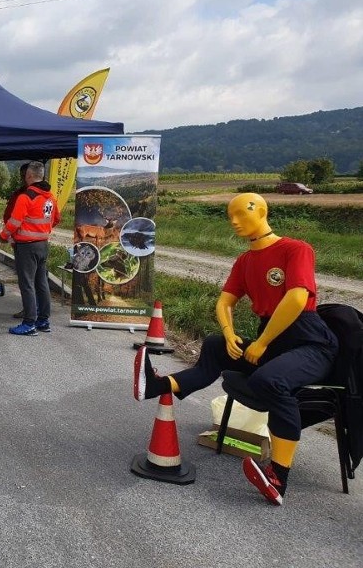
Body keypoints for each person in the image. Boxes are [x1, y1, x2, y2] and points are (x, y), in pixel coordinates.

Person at [133, 193, 338, 505]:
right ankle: (157, 386)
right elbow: (225, 300)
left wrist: (263, 342)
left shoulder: (295, 249)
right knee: (216, 346)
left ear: (262, 211)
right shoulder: (245, 261)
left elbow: (296, 298)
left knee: (270, 381)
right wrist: (229, 334)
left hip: (310, 341)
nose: (234, 221)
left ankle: (278, 477)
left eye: (242, 214)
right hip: (271, 337)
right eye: (231, 216)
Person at [0, 161, 60, 336]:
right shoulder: (50, 197)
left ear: (29, 176)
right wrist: (41, 230)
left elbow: (14, 222)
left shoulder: (26, 197)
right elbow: (56, 219)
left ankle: (29, 323)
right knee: (41, 283)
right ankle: (43, 320)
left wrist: (4, 236)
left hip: (27, 246)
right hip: (43, 244)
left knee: (27, 284)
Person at [3, 163, 30, 319]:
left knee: (28, 281)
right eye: (21, 175)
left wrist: (4, 235)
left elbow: (13, 219)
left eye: (24, 175)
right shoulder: (19, 194)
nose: (22, 178)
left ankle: (30, 315)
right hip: (26, 242)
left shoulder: (27, 196)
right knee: (31, 280)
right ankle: (37, 314)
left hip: (26, 243)